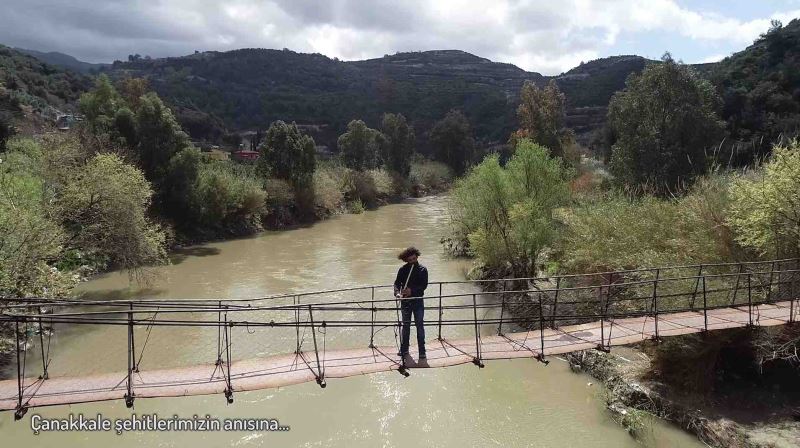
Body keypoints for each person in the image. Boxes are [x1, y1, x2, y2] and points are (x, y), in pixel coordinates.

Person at [394, 247, 428, 359]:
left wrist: (411, 291)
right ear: (406, 260)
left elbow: (423, 286)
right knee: (406, 326)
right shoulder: (403, 270)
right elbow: (397, 283)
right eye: (410, 260)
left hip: (418, 301)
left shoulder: (423, 270)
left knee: (419, 326)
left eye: (414, 258)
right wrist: (398, 293)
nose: (413, 261)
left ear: (417, 256)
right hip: (405, 302)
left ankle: (422, 351)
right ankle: (404, 349)